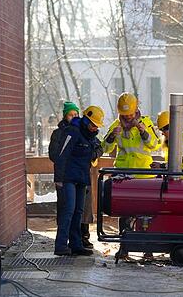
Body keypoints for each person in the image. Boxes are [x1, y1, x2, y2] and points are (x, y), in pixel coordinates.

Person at [53, 105, 104, 256]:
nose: (95, 128)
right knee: (68, 210)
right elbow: (61, 155)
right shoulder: (72, 132)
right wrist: (59, 179)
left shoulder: (91, 136)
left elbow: (98, 149)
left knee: (78, 212)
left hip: (82, 178)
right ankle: (61, 245)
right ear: (86, 120)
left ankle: (76, 245)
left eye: (97, 126)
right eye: (93, 125)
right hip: (67, 178)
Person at [102, 93, 161, 178]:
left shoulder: (146, 123)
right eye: (125, 114)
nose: (128, 117)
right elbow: (105, 149)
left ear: (136, 109)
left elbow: (155, 145)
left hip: (143, 174)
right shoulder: (116, 125)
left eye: (130, 114)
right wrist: (111, 136)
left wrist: (144, 133)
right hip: (122, 173)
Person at [49, 101, 79, 227]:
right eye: (70, 115)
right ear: (65, 116)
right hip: (63, 176)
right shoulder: (58, 133)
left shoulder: (82, 132)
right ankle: (62, 237)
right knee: (64, 208)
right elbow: (54, 155)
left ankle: (80, 237)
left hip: (79, 175)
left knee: (79, 209)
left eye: (75, 114)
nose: (73, 117)